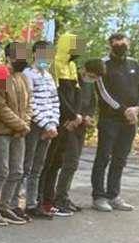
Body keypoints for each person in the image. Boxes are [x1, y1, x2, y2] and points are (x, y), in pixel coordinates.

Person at [40, 45, 98, 217]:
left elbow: (81, 98)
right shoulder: (52, 72)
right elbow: (58, 97)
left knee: (57, 163)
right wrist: (72, 116)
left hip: (72, 122)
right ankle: (44, 200)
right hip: (58, 123)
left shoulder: (70, 70)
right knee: (43, 165)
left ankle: (51, 200)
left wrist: (82, 116)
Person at [91, 33, 139, 212]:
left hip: (130, 120)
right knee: (103, 157)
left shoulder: (135, 64)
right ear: (110, 45)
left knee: (120, 159)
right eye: (116, 44)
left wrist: (137, 108)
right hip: (109, 119)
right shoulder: (102, 64)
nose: (121, 47)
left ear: (129, 44)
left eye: (123, 44)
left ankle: (114, 195)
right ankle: (98, 196)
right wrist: (123, 110)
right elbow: (102, 92)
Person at [0, 42, 32, 225]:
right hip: (0, 131)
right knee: (2, 170)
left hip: (19, 132)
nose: (25, 59)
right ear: (9, 57)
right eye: (20, 56)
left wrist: (25, 123)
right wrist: (21, 125)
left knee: (17, 171)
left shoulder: (23, 78)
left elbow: (29, 104)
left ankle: (5, 207)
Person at [20, 40, 60, 219]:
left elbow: (54, 101)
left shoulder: (49, 76)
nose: (47, 58)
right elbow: (30, 102)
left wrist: (53, 124)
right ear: (36, 54)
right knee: (26, 165)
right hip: (35, 125)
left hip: (49, 126)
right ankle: (15, 203)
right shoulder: (28, 74)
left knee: (38, 166)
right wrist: (44, 124)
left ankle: (32, 204)